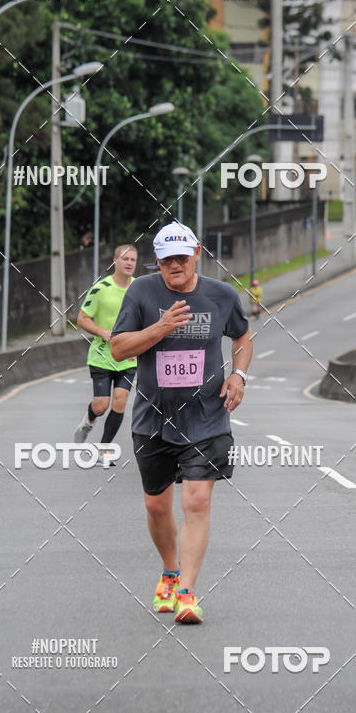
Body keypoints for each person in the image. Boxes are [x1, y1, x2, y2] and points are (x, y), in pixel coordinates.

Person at [111, 221, 253, 623]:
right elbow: (118, 349)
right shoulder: (141, 292)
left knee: (197, 501)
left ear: (196, 255)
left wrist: (238, 375)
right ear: (157, 261)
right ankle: (170, 572)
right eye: (167, 259)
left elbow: (243, 337)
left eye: (182, 257)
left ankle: (187, 592)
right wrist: (160, 327)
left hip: (206, 416)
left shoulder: (221, 295)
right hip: (153, 418)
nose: (175, 265)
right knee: (157, 506)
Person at [73, 244, 138, 465]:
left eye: (133, 260)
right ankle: (89, 420)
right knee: (101, 405)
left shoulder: (139, 288)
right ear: (115, 261)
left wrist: (137, 345)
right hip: (102, 355)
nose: (129, 263)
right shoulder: (101, 288)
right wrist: (104, 333)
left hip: (128, 357)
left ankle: (103, 450)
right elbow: (82, 319)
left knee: (120, 401)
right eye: (125, 259)